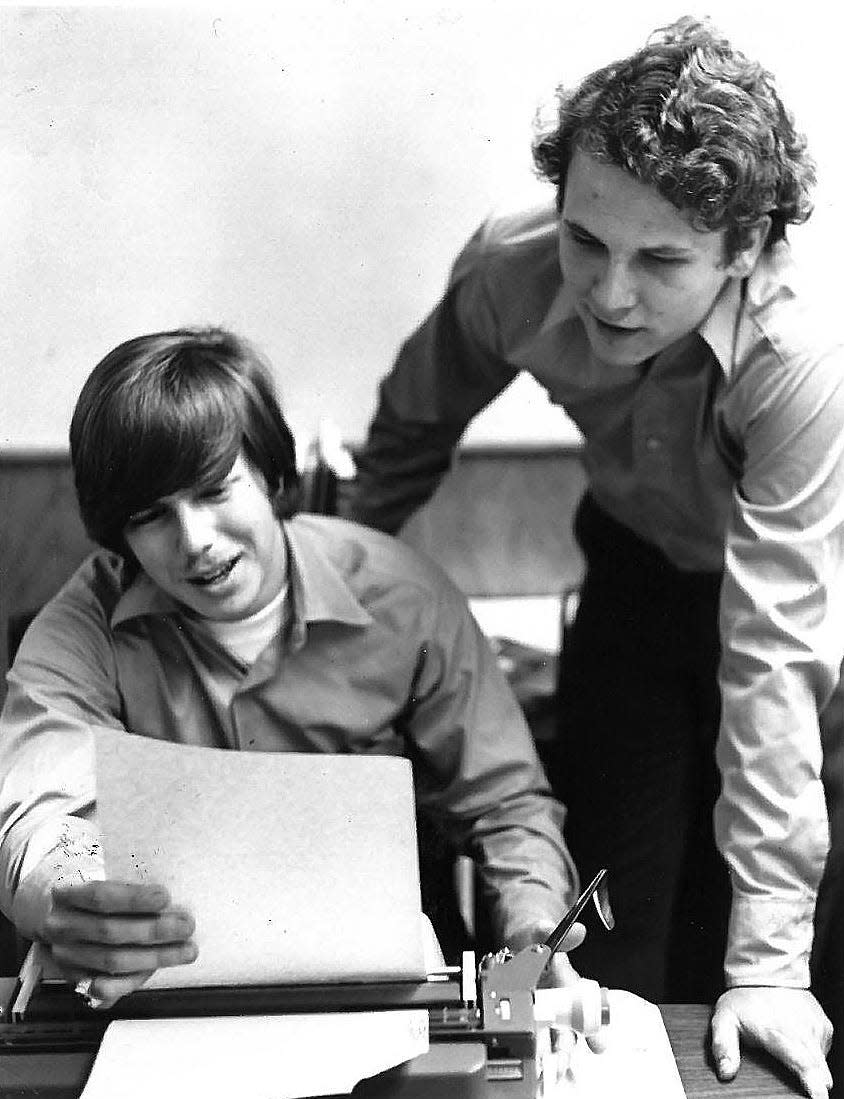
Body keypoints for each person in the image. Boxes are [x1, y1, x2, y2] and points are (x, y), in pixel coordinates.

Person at [346, 16, 844, 1099]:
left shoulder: (801, 355)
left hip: (800, 614)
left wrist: (766, 967)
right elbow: (401, 447)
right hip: (630, 577)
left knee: (777, 977)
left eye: (661, 259)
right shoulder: (509, 268)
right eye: (587, 240)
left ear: (745, 247)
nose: (607, 294)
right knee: (605, 932)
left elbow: (770, 651)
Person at [0, 326, 582, 1011]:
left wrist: (531, 923)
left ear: (274, 475)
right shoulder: (84, 623)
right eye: (151, 516)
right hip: (162, 987)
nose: (195, 542)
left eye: (216, 491)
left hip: (376, 985)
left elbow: (505, 803)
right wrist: (77, 887)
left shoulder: (408, 598)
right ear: (118, 533)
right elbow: (45, 808)